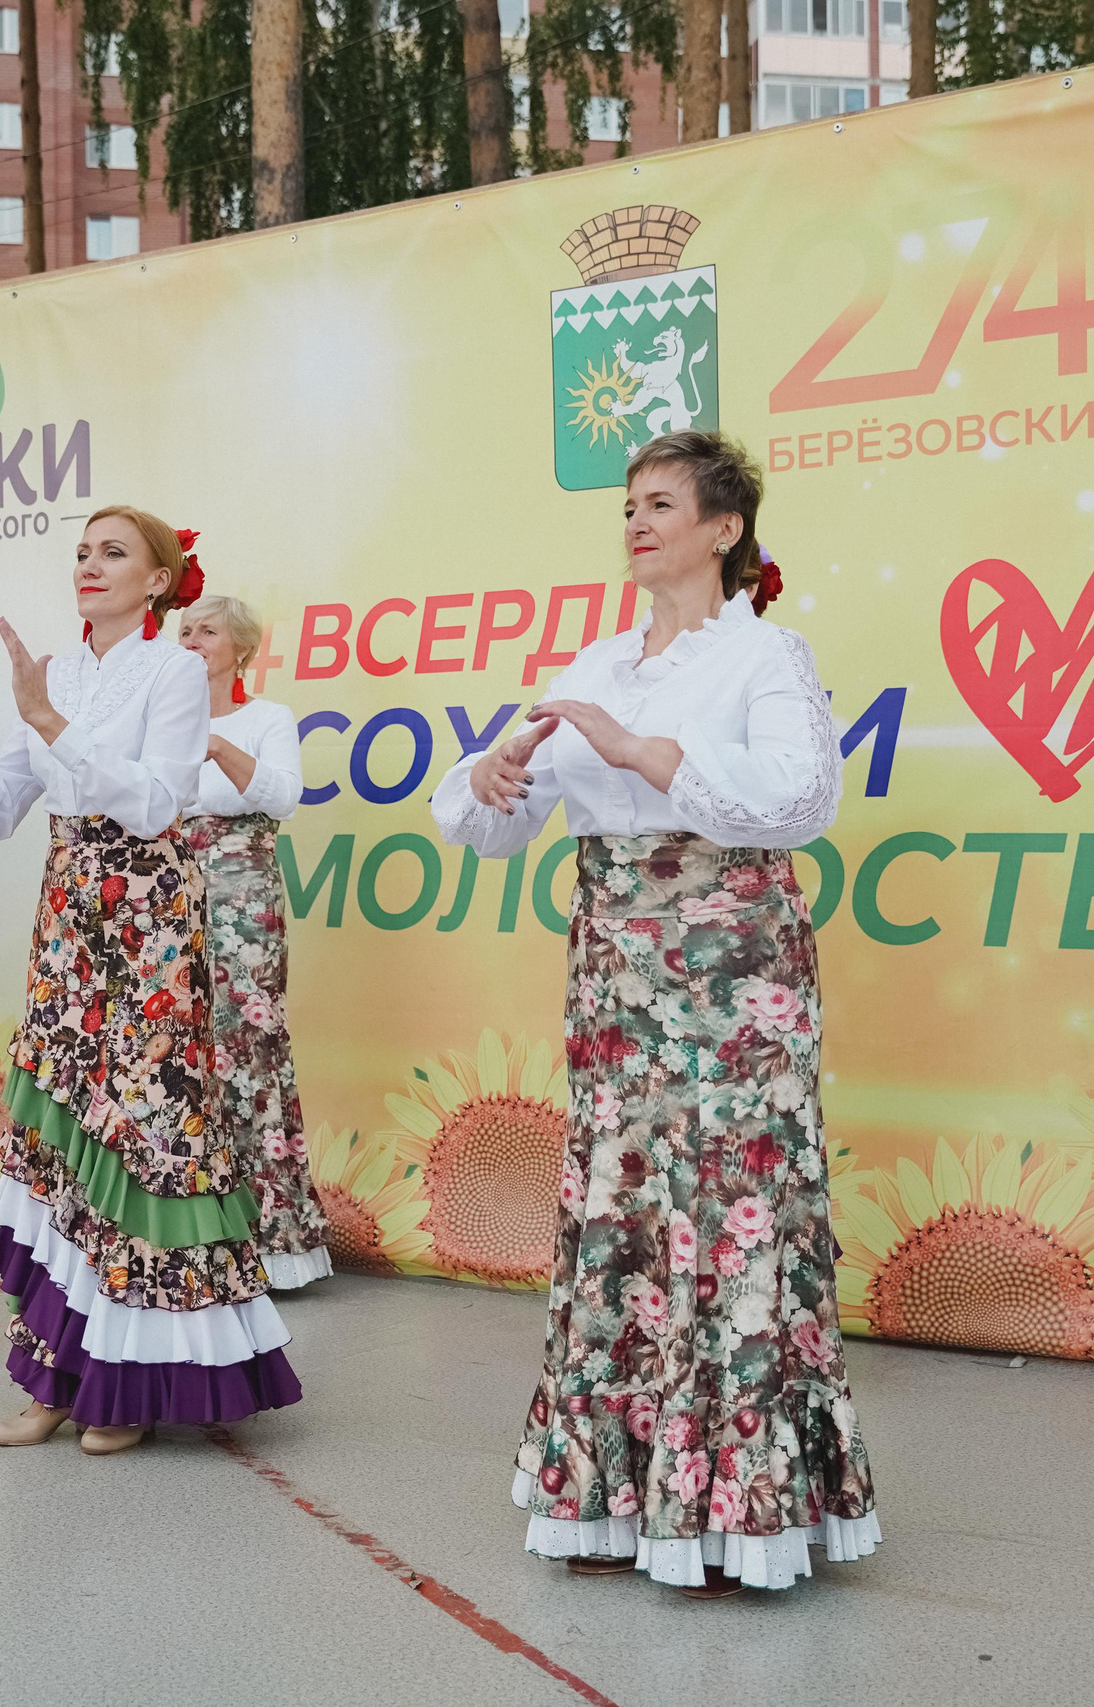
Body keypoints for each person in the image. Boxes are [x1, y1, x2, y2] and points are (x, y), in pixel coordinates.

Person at [433, 430, 878, 1598]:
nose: (635, 521)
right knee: (623, 1212)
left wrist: (644, 753)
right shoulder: (597, 663)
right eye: (629, 504)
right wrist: (486, 782)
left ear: (725, 530)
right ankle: (618, 1501)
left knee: (728, 1211)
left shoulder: (765, 654)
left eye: (662, 504)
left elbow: (799, 800)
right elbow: (488, 824)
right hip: (615, 972)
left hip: (733, 966)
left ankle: (736, 1517)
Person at [0, 506, 302, 1456]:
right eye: (81, 551)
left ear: (158, 580)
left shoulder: (173, 671)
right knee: (64, 1136)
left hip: (151, 913)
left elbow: (158, 803)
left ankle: (133, 1385)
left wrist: (49, 721)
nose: (89, 564)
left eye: (113, 552)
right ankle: (58, 1374)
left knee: (143, 1133)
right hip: (71, 912)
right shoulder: (58, 671)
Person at [177, 591, 332, 1290]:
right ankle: (188, 1241)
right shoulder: (156, 722)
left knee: (247, 1048)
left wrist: (215, 744)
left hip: (242, 894)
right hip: (168, 893)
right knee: (174, 1051)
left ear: (240, 648)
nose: (190, 640)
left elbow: (282, 797)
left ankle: (272, 1241)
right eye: (184, 630)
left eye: (206, 631)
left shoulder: (267, 718)